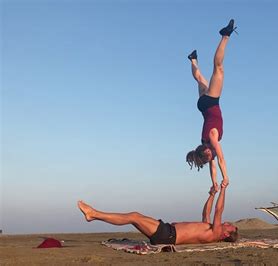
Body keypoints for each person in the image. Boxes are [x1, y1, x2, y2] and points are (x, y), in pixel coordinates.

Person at [77, 182, 238, 245]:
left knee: (134, 216)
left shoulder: (216, 233)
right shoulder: (211, 230)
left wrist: (223, 189)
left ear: (225, 235)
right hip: (167, 232)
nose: (228, 223)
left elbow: (218, 210)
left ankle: (93, 214)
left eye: (230, 227)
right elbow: (207, 213)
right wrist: (211, 194)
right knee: (134, 218)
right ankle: (94, 215)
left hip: (168, 234)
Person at [186, 19, 237, 192]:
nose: (211, 157)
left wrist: (226, 177)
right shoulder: (204, 144)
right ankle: (193, 60)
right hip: (202, 105)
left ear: (206, 151)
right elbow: (213, 166)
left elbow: (221, 160)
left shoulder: (212, 138)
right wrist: (214, 182)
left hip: (211, 102)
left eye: (209, 156)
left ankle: (225, 35)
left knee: (218, 68)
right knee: (200, 79)